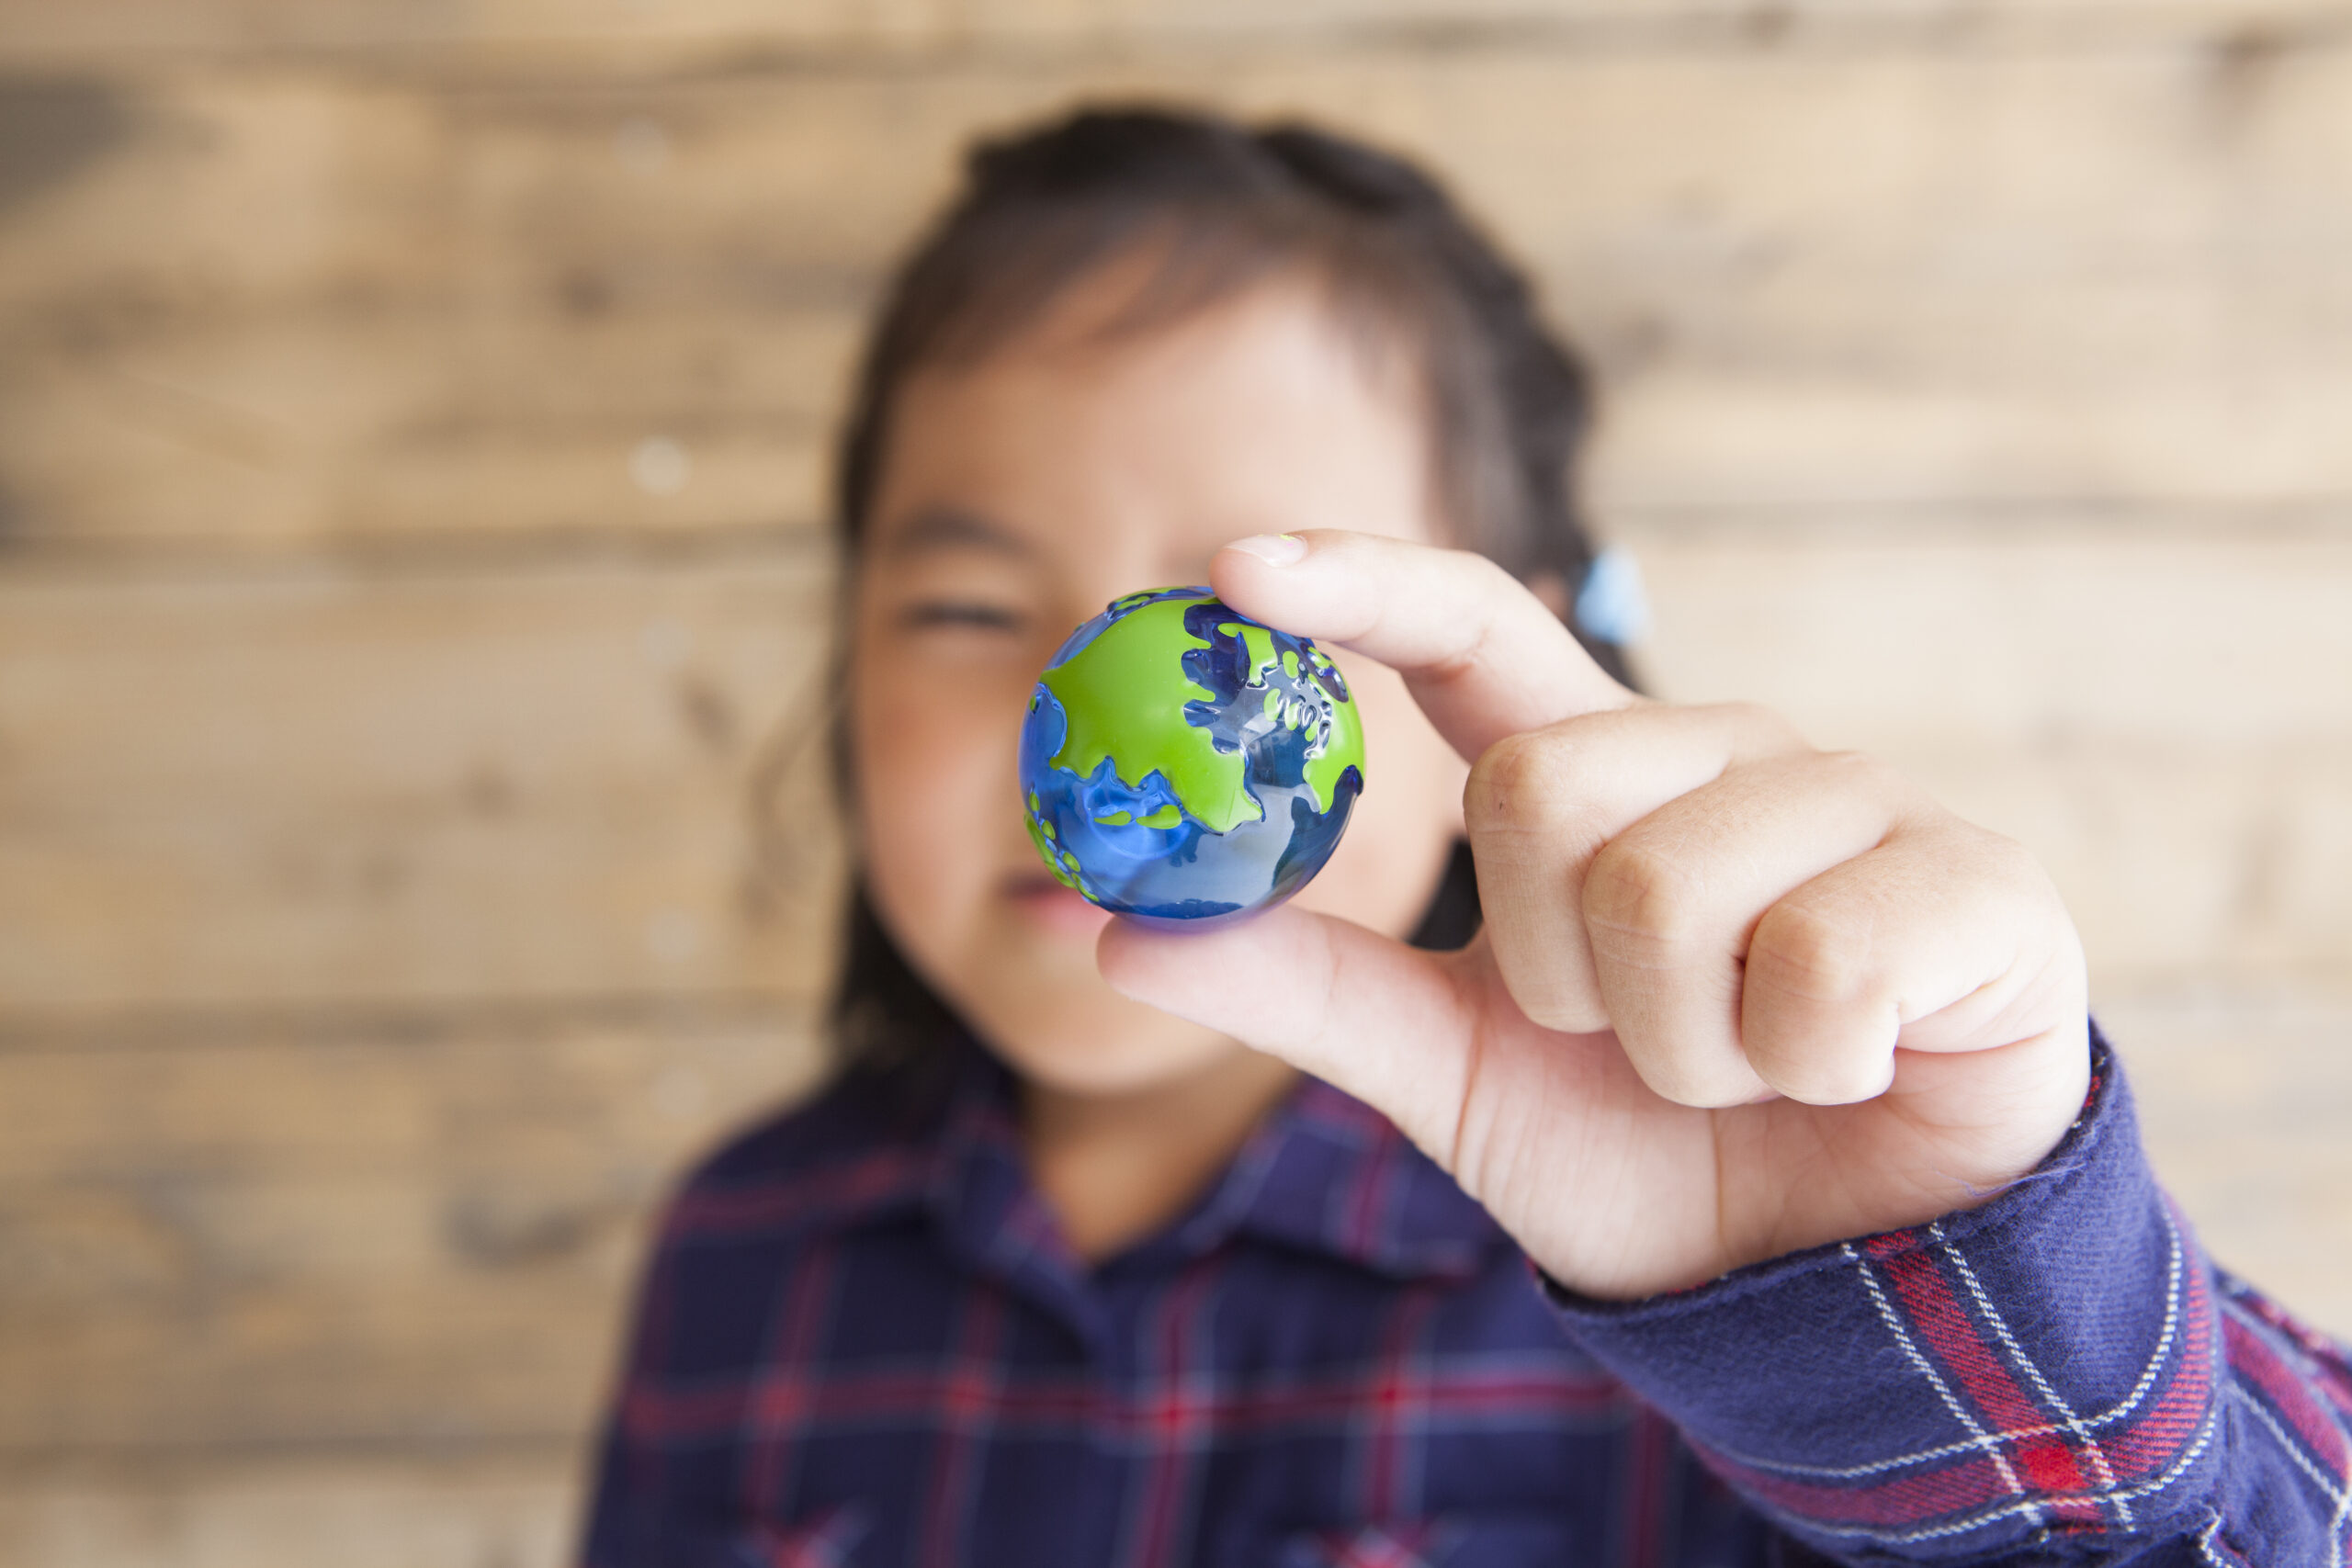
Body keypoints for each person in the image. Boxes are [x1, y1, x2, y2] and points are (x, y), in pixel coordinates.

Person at [582, 107, 2352, 1566]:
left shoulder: (1707, 1299)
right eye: (967, 607)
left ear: (1479, 689)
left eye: (1242, 652)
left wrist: (1939, 1293)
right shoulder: (742, 1252)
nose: (1108, 730)